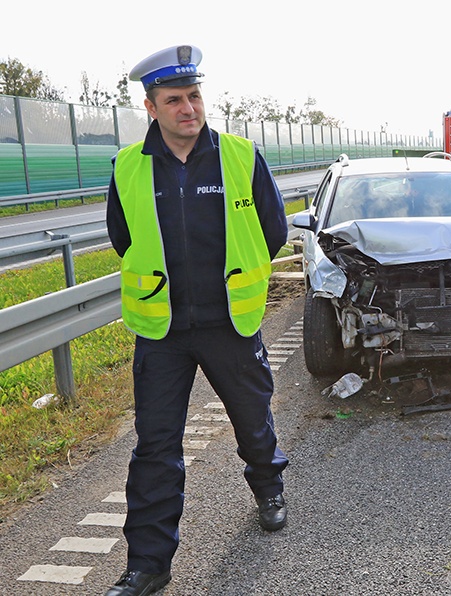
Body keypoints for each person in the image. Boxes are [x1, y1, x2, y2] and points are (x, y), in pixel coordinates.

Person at [104, 45, 289, 596]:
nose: (189, 108)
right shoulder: (127, 166)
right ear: (151, 108)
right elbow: (123, 239)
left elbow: (272, 231)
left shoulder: (240, 156)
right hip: (161, 330)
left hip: (229, 323)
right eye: (174, 100)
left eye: (194, 96)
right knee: (155, 448)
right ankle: (148, 565)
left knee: (252, 420)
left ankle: (268, 486)